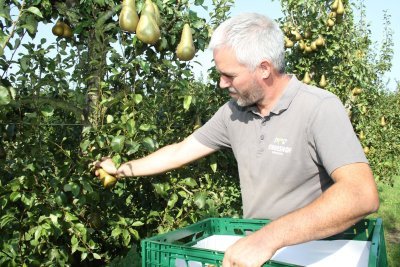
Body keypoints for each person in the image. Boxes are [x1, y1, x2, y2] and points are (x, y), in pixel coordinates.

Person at [95, 13, 379, 267]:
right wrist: (121, 169)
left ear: (264, 69)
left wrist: (268, 238)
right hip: (258, 255)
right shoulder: (234, 112)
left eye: (229, 75)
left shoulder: (319, 107)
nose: (221, 83)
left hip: (317, 254)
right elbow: (180, 151)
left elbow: (361, 195)